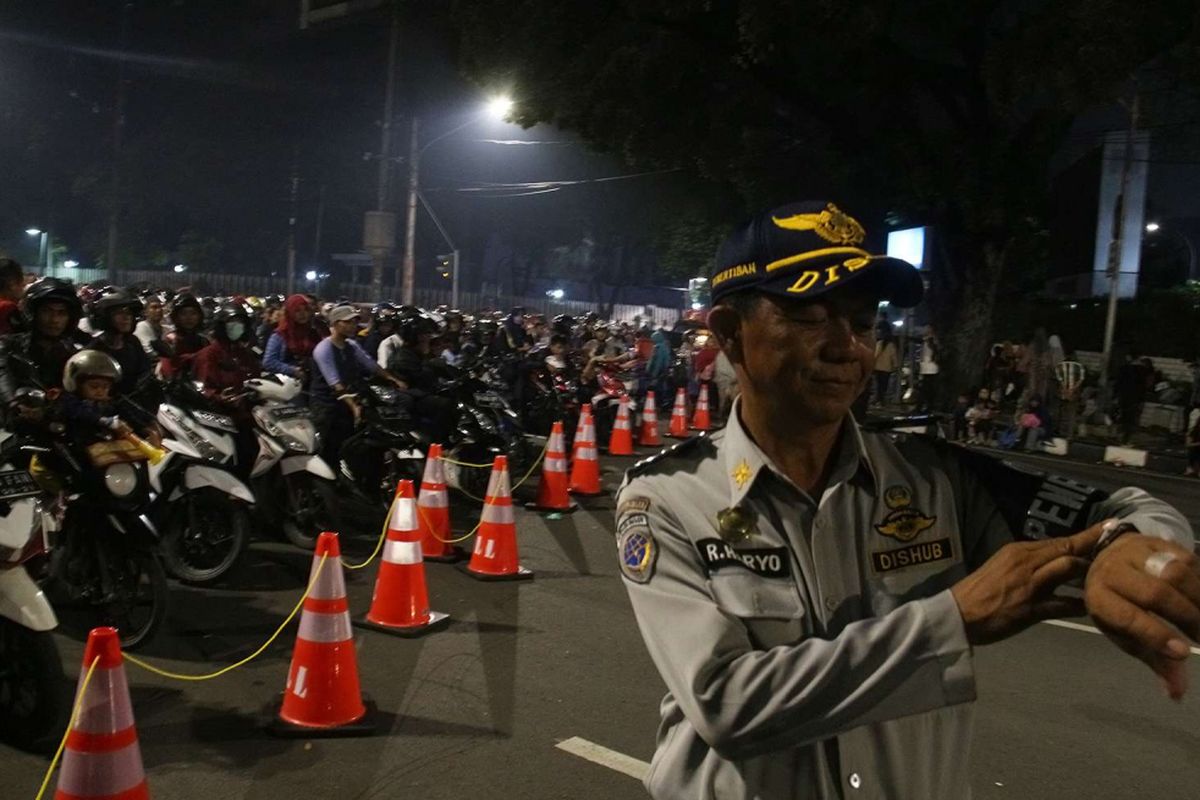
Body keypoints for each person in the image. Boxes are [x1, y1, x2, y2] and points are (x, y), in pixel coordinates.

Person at [614, 199, 1196, 800]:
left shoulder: (937, 479)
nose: (847, 347)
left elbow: (1128, 509)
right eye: (812, 316)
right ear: (732, 334)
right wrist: (953, 619)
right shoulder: (666, 498)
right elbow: (728, 704)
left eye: (863, 322)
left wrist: (1137, 552)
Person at [309, 303, 407, 467]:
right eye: (347, 322)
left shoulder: (352, 346)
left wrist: (393, 379)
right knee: (330, 446)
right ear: (335, 323)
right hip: (327, 405)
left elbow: (371, 366)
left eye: (354, 322)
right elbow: (335, 383)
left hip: (349, 401)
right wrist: (353, 406)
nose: (353, 326)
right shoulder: (324, 348)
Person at [0, 277, 83, 405]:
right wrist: (13, 403)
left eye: (62, 313)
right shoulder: (9, 346)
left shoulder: (77, 355)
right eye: (47, 311)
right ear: (33, 313)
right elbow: (2, 374)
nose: (54, 320)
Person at [84, 287, 154, 397]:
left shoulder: (132, 342)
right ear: (104, 317)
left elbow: (145, 371)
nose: (126, 318)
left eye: (129, 313)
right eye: (119, 313)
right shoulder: (94, 351)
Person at [264, 294, 320, 384]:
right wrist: (292, 370)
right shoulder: (280, 334)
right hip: (288, 384)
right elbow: (269, 362)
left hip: (312, 381)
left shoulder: (313, 333)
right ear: (290, 312)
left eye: (306, 310)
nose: (303, 314)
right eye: (297, 310)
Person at [161, 293, 208, 379]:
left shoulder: (203, 341)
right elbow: (167, 371)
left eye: (193, 313)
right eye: (183, 313)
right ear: (176, 317)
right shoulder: (171, 340)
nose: (188, 318)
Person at [872, 327, 899, 405]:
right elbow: (893, 356)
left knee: (878, 384)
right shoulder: (891, 345)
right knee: (884, 385)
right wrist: (895, 365)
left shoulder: (879, 343)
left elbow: (875, 355)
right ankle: (882, 400)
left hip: (878, 367)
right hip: (886, 368)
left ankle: (877, 399)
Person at [0, 258, 26, 336]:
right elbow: (22, 335)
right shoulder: (7, 307)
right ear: (12, 284)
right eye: (22, 283)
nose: (23, 287)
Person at [916, 324, 940, 411]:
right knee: (926, 388)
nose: (924, 330)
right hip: (926, 367)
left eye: (926, 328)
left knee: (926, 388)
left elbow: (933, 351)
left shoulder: (931, 340)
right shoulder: (926, 341)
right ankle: (927, 406)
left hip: (930, 368)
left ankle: (923, 406)